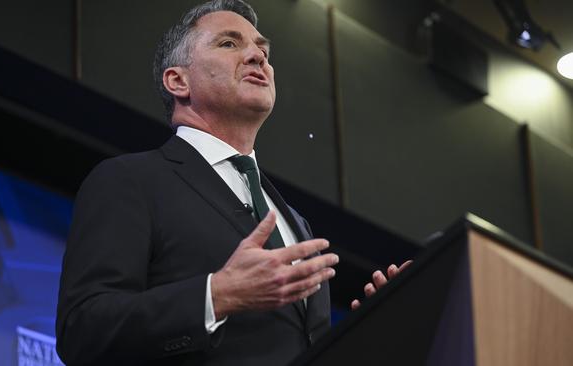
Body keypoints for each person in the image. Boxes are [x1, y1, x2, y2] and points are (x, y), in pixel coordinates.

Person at [56, 1, 407, 365]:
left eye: (263, 49)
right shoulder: (130, 181)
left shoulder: (296, 224)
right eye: (229, 43)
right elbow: (82, 330)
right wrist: (216, 295)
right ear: (178, 81)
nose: (258, 56)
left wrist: (375, 327)